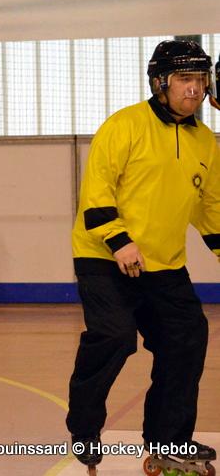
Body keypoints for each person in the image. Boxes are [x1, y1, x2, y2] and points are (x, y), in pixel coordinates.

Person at [66, 39, 220, 472]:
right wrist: (119, 241)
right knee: (115, 337)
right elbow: (96, 191)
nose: (194, 88)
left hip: (164, 264)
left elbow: (211, 208)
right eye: (184, 79)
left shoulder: (205, 141)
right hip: (104, 257)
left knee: (187, 338)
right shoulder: (124, 125)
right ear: (159, 83)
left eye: (200, 79)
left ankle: (170, 441)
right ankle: (84, 428)